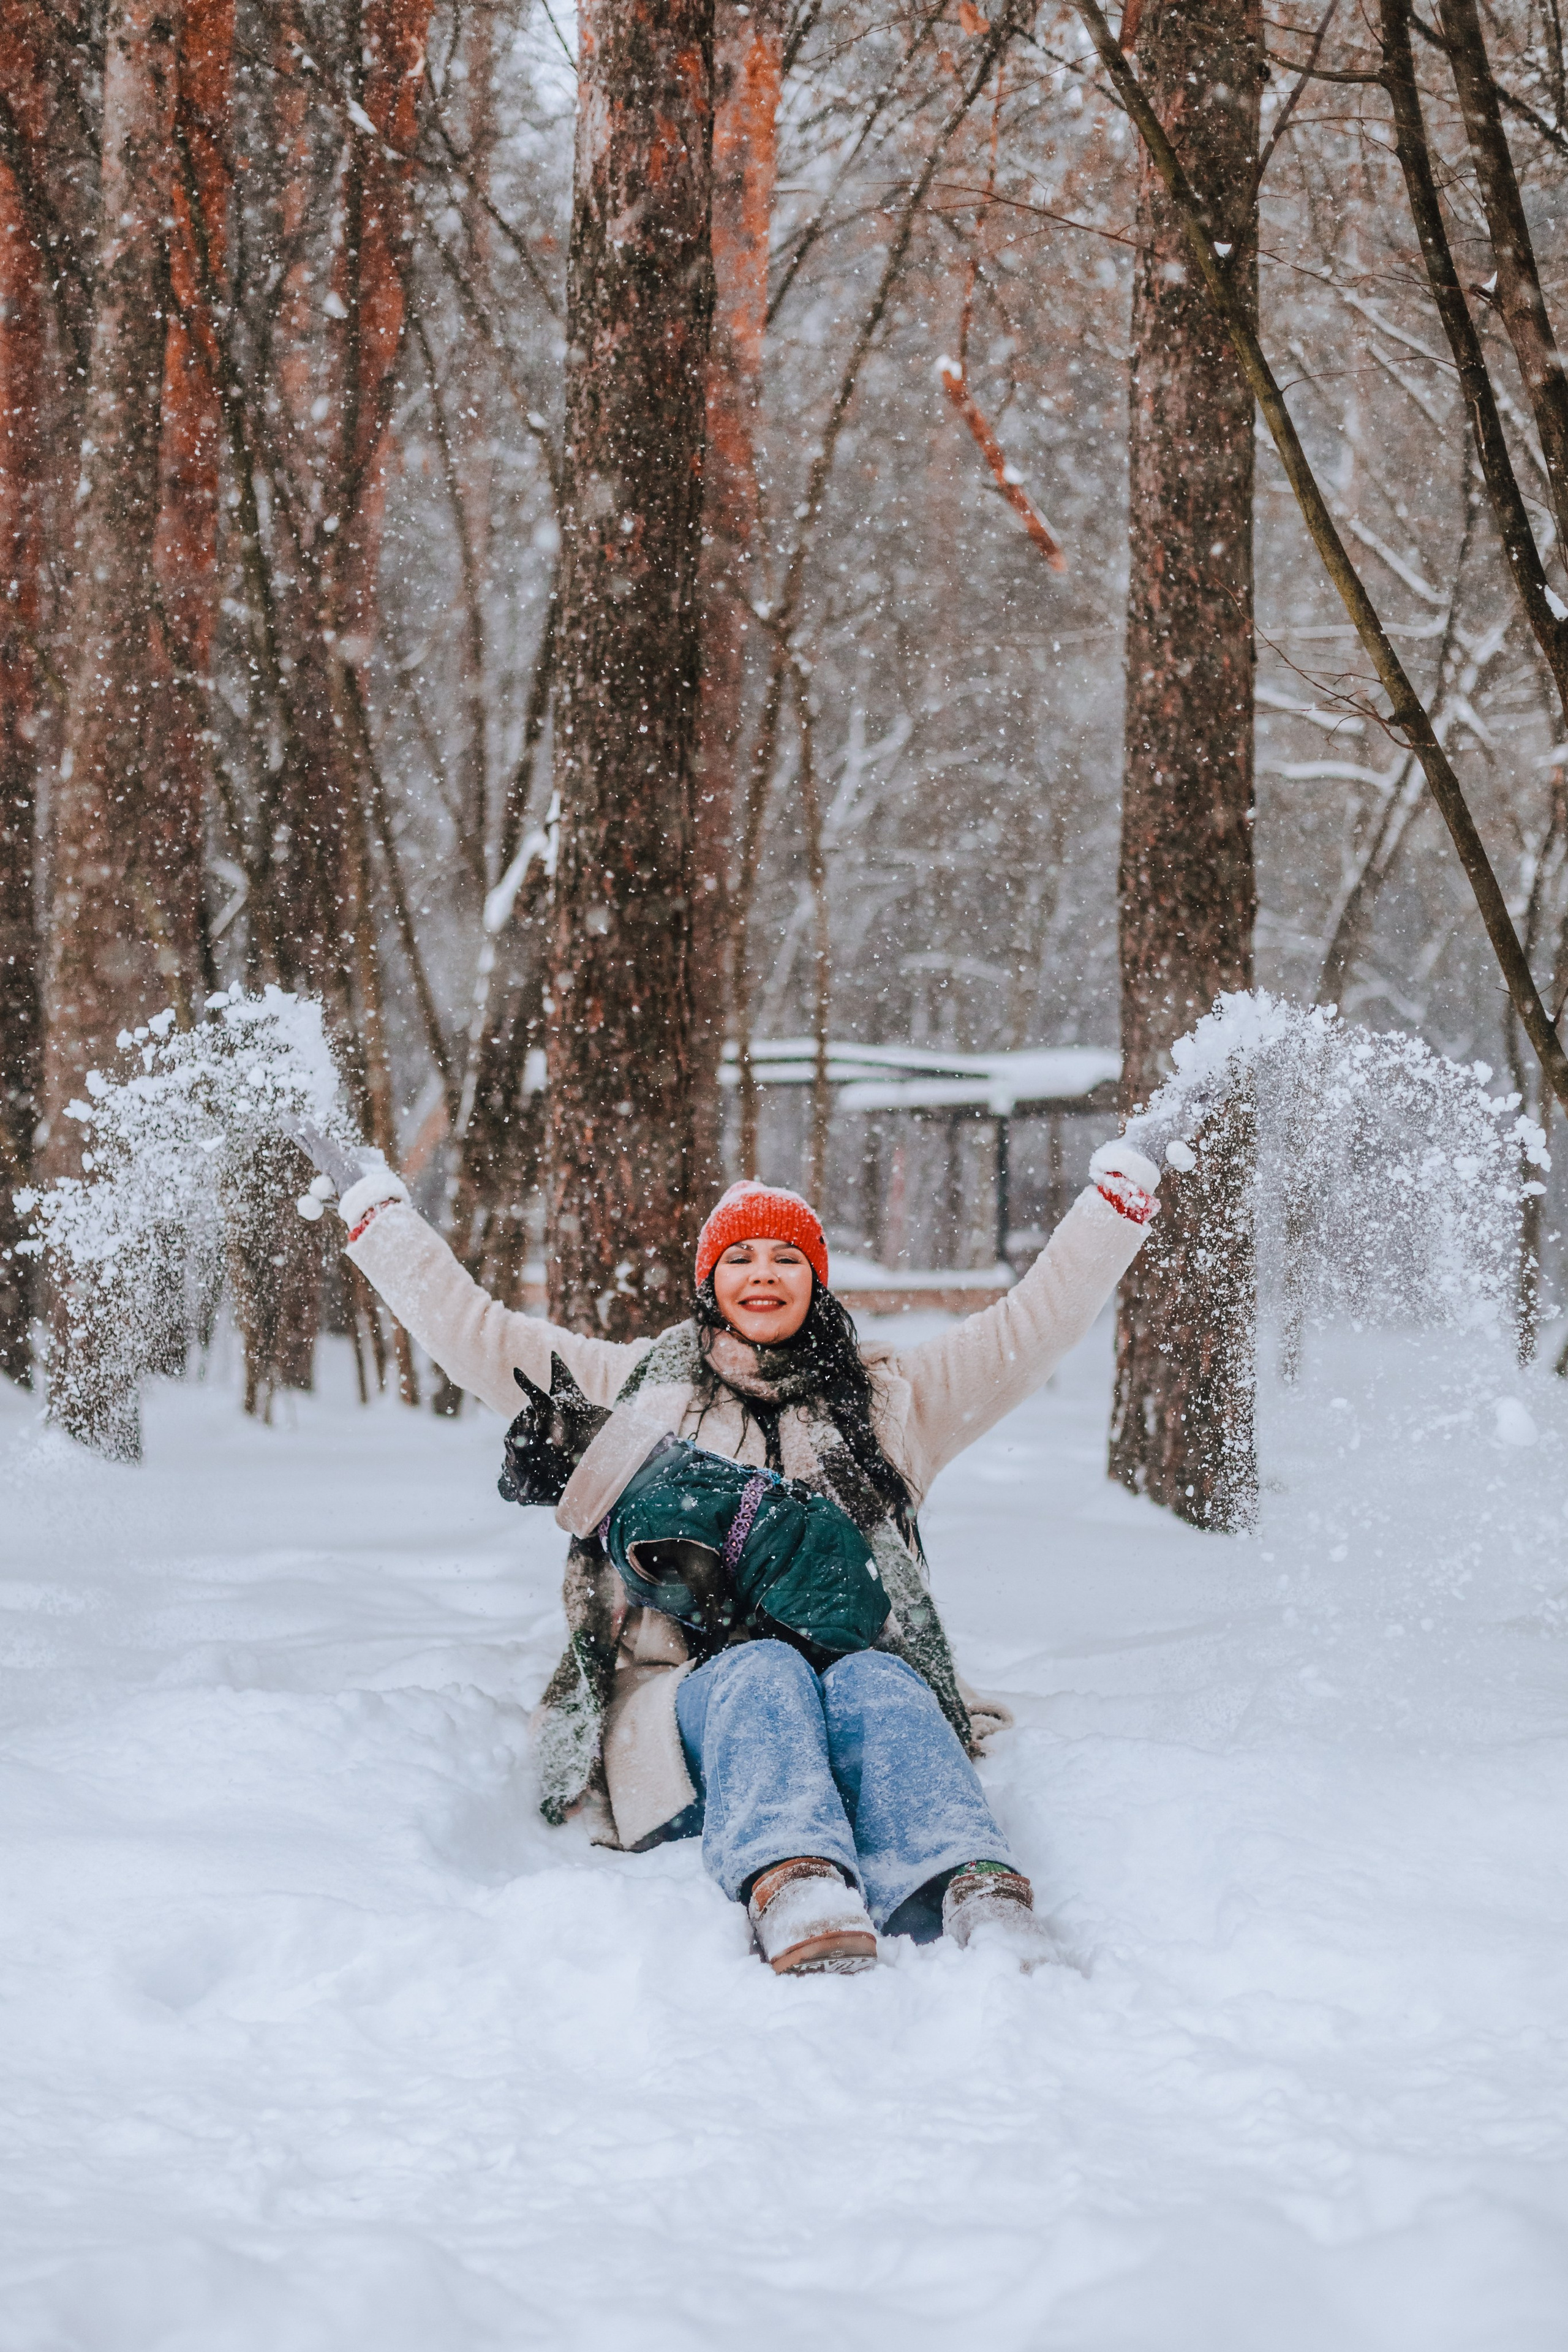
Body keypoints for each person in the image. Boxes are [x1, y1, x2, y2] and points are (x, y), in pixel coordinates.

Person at [324, 1141, 1162, 1973]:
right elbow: (478, 1331)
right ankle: (796, 1882)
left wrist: (1119, 1197)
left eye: (788, 1256)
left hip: (857, 1695)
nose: (765, 1273)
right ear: (711, 1282)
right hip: (700, 1710)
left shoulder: (893, 1399)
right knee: (762, 1671)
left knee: (883, 1680)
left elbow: (1036, 1321)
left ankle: (979, 1889)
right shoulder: (638, 1387)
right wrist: (375, 1213)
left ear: (816, 1278)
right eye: (743, 1257)